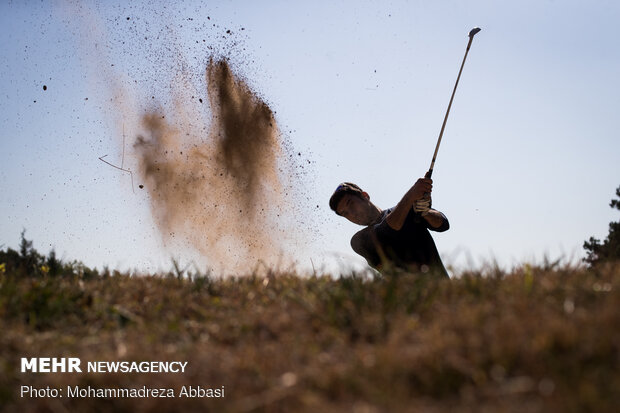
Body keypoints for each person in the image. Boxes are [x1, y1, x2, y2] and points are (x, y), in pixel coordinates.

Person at [329, 178, 450, 277]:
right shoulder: (359, 241)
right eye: (345, 213)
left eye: (351, 203)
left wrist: (425, 212)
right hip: (410, 304)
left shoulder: (408, 209)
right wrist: (411, 196)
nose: (352, 213)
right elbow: (387, 231)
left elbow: (443, 224)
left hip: (444, 294)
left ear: (365, 196)